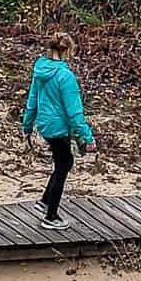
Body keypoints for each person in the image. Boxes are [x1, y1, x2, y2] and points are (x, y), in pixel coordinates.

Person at [21, 32, 97, 230]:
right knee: (64, 165)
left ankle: (45, 201)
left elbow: (32, 100)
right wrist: (87, 136)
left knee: (62, 162)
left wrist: (27, 125)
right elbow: (74, 112)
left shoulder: (40, 71)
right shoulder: (66, 76)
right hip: (59, 128)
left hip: (45, 125)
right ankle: (51, 216)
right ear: (68, 50)